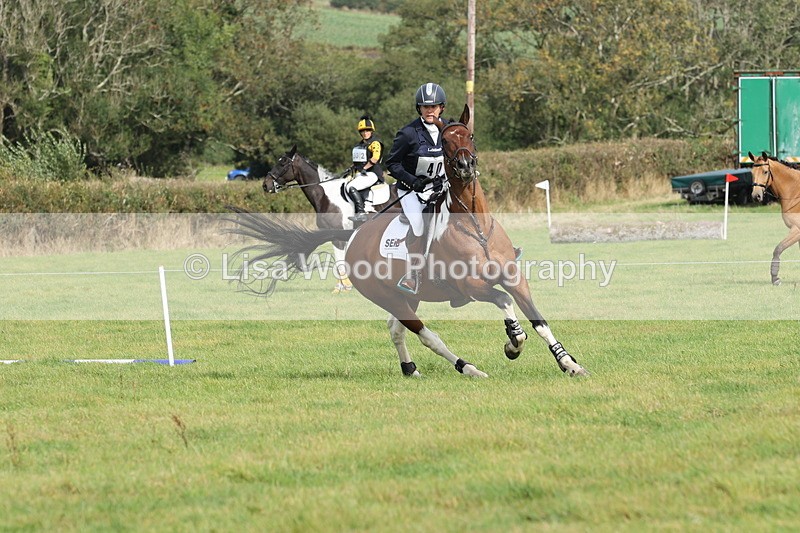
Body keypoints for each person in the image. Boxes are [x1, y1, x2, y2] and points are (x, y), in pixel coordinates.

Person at [385, 82, 449, 294]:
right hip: (412, 190)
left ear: (442, 107)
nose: (430, 110)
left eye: (434, 106)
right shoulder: (408, 133)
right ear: (419, 108)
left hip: (440, 187)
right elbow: (392, 164)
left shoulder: (449, 129)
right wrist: (412, 180)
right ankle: (413, 275)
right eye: (425, 106)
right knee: (420, 226)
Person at [346, 115, 384, 222]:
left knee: (351, 186)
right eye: (363, 131)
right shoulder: (360, 145)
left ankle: (361, 212)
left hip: (373, 173)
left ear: (371, 131)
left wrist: (365, 168)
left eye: (368, 130)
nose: (365, 133)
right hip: (363, 173)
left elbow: (375, 158)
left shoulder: (375, 143)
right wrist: (352, 168)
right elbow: (359, 161)